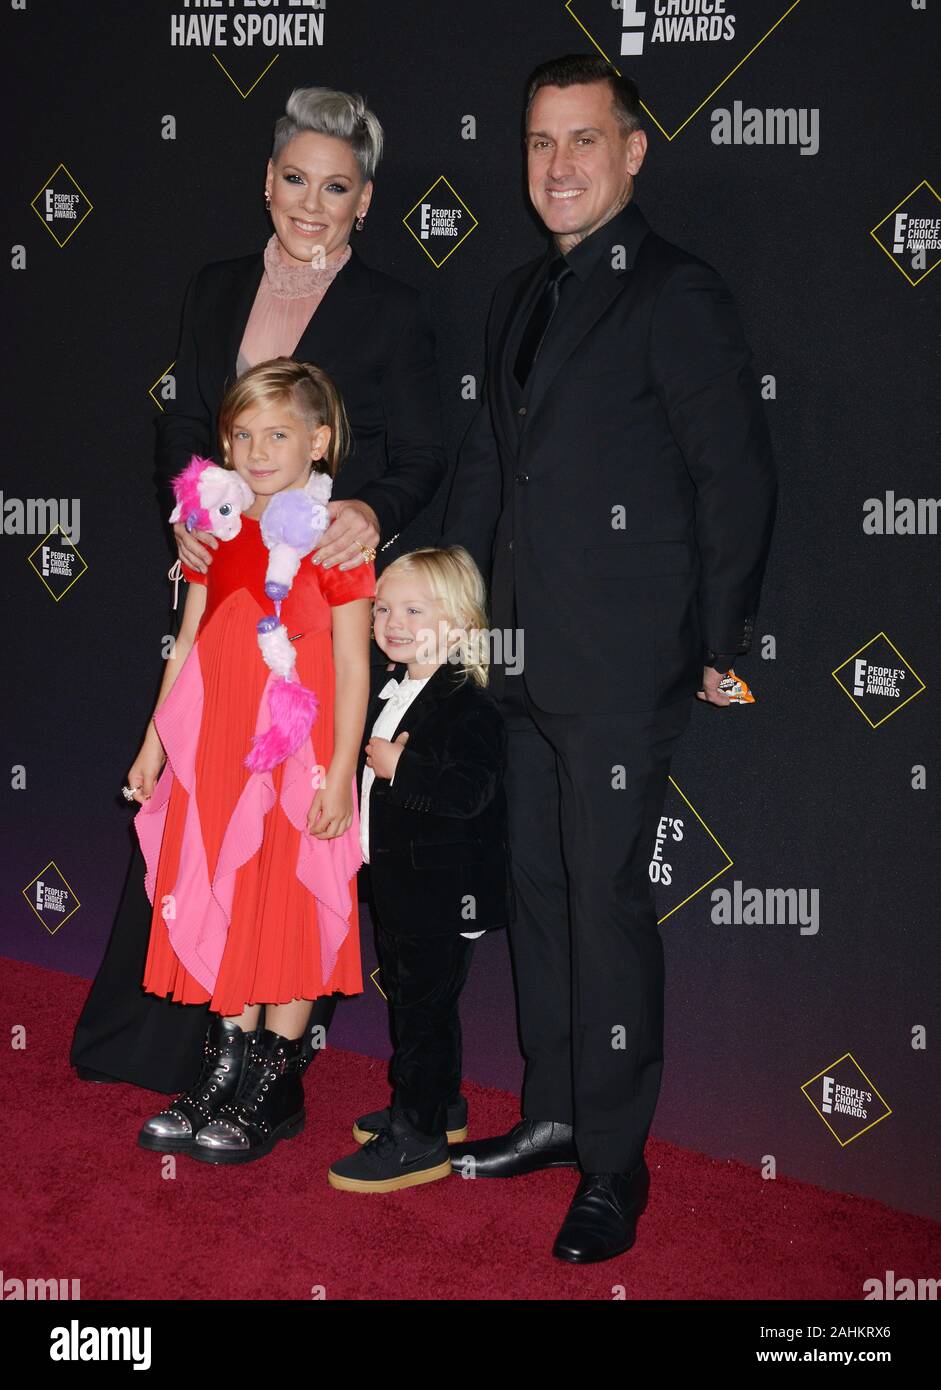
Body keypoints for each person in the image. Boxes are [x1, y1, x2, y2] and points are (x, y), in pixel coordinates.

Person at [439, 54, 777, 1261]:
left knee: (607, 907)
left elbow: (729, 473)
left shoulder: (676, 291)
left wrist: (717, 639)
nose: (558, 166)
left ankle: (614, 1164)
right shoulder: (517, 295)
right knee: (537, 893)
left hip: (623, 667)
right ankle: (552, 1109)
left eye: (583, 140)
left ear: (634, 152)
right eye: (538, 144)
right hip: (520, 659)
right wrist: (445, 601)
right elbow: (489, 467)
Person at [70, 85, 445, 1094]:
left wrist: (374, 511)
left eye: (336, 187)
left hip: (318, 599)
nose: (311, 204)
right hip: (220, 584)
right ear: (265, 183)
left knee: (288, 838)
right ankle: (178, 1045)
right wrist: (188, 509)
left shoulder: (395, 308)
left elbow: (420, 452)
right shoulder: (213, 286)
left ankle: (268, 1076)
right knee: (199, 809)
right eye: (294, 180)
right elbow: (185, 422)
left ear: (365, 201)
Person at [132, 357, 374, 1164]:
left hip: (299, 755)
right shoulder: (216, 533)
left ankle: (274, 1084)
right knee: (230, 891)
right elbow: (188, 650)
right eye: (242, 434)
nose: (259, 449)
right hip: (222, 750)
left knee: (292, 897)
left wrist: (340, 773)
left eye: (279, 433)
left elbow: (350, 666)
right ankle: (223, 1069)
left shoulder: (335, 541)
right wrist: (154, 745)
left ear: (320, 440)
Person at [327, 547, 513, 1192]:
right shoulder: (396, 687)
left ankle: (419, 1137)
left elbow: (469, 794)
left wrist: (399, 768)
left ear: (460, 623)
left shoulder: (469, 704)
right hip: (403, 885)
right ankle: (442, 1105)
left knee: (422, 1014)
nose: (392, 622)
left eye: (413, 609)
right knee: (416, 1006)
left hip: (442, 895)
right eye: (382, 609)